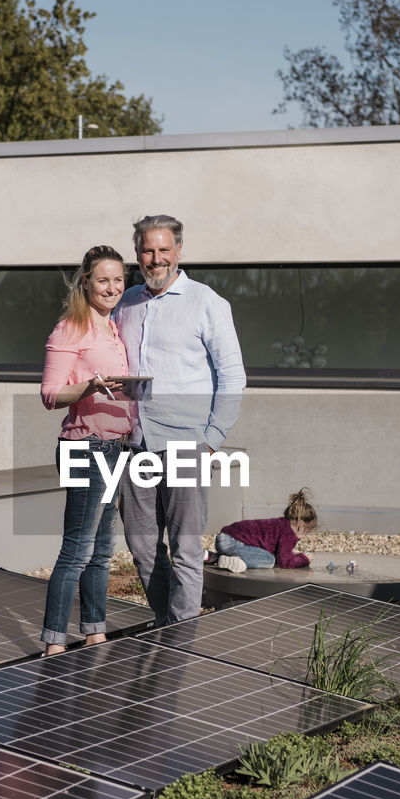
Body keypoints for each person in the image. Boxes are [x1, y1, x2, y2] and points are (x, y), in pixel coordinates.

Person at [113, 214, 245, 625]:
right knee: (142, 545)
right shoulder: (126, 303)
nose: (155, 259)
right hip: (135, 445)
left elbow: (232, 375)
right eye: (148, 251)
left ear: (178, 251)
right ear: (138, 254)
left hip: (188, 444)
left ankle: (181, 638)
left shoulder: (207, 302)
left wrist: (211, 440)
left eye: (163, 250)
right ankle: (165, 622)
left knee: (186, 550)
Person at [40, 246, 133, 655]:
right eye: (103, 280)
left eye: (118, 280)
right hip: (85, 446)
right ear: (86, 282)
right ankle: (54, 643)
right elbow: (50, 395)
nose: (111, 288)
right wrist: (90, 388)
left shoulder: (114, 327)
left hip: (115, 448)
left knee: (101, 551)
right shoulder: (70, 329)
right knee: (77, 549)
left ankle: (95, 632)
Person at [214, 488, 317, 573]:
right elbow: (285, 562)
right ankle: (239, 560)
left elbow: (280, 551)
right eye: (305, 532)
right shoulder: (289, 534)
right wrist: (304, 559)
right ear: (301, 525)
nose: (304, 536)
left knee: (263, 554)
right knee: (269, 559)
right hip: (233, 543)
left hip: (224, 539)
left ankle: (213, 557)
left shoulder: (280, 523)